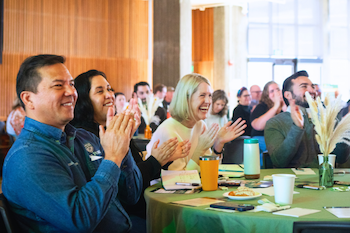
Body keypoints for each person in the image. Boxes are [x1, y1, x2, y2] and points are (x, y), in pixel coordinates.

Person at [2, 54, 143, 232]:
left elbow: (131, 195)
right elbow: (80, 219)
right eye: (58, 85)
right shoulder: (27, 156)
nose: (71, 92)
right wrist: (113, 158)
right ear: (29, 99)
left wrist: (123, 142)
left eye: (71, 84)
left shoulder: (84, 138)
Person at [71, 70, 189, 223]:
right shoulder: (84, 137)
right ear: (84, 100)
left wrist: (159, 158)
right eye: (100, 91)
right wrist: (155, 161)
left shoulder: (110, 128)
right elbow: (123, 185)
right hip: (123, 219)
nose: (109, 95)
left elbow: (133, 171)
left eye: (109, 89)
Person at [146, 73, 247, 171]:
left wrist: (219, 144)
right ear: (186, 99)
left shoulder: (200, 125)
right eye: (202, 95)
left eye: (210, 95)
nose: (208, 101)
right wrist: (199, 149)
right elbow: (180, 181)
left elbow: (209, 171)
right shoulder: (168, 131)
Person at [265, 71, 350, 168]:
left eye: (313, 87)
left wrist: (343, 129)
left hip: (325, 179)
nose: (312, 90)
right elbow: (279, 161)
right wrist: (297, 128)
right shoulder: (275, 123)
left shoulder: (326, 118)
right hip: (293, 181)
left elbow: (342, 158)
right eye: (304, 86)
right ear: (288, 95)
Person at [251, 81, 285, 157]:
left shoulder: (284, 106)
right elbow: (258, 126)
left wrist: (283, 103)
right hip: (262, 137)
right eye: (272, 91)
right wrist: (276, 106)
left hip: (280, 138)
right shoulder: (262, 106)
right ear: (267, 95)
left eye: (277, 89)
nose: (276, 93)